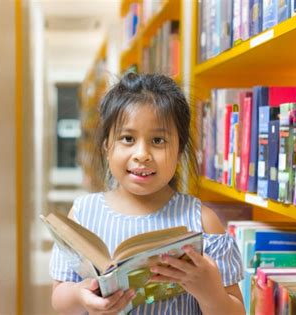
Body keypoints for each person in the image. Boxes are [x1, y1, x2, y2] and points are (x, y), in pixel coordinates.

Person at [49, 73, 245, 314]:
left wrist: (210, 292)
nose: (142, 154)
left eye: (158, 140)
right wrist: (81, 295)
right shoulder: (83, 213)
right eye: (128, 138)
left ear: (180, 149)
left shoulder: (203, 222)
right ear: (107, 146)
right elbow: (59, 298)